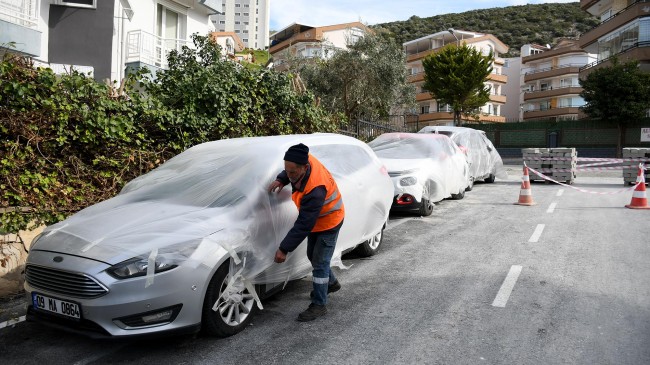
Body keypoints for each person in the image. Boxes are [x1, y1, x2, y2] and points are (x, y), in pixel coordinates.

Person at [269, 143, 345, 322]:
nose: (289, 174)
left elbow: (303, 224)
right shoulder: (302, 158)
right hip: (317, 222)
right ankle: (331, 284)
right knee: (313, 256)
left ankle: (319, 305)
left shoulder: (315, 189)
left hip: (329, 221)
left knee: (319, 263)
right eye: (286, 170)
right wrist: (282, 179)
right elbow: (290, 169)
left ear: (305, 167)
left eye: (293, 172)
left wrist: (284, 249)